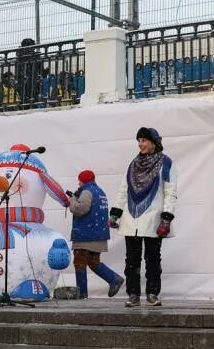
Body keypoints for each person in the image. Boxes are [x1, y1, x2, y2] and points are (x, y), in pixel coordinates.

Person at [110, 127, 177, 307]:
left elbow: (170, 192)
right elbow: (123, 190)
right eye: (139, 140)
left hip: (153, 219)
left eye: (144, 140)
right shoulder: (133, 164)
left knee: (153, 259)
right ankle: (133, 294)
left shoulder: (166, 163)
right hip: (132, 218)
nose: (140, 144)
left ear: (154, 142)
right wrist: (115, 213)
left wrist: (166, 218)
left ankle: (153, 293)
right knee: (131, 260)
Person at [66, 170, 124, 298]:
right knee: (93, 262)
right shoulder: (100, 191)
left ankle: (82, 294)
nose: (78, 183)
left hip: (86, 236)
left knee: (79, 262)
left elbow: (80, 209)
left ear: (83, 180)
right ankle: (114, 279)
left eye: (79, 181)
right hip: (98, 234)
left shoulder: (87, 192)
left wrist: (72, 200)